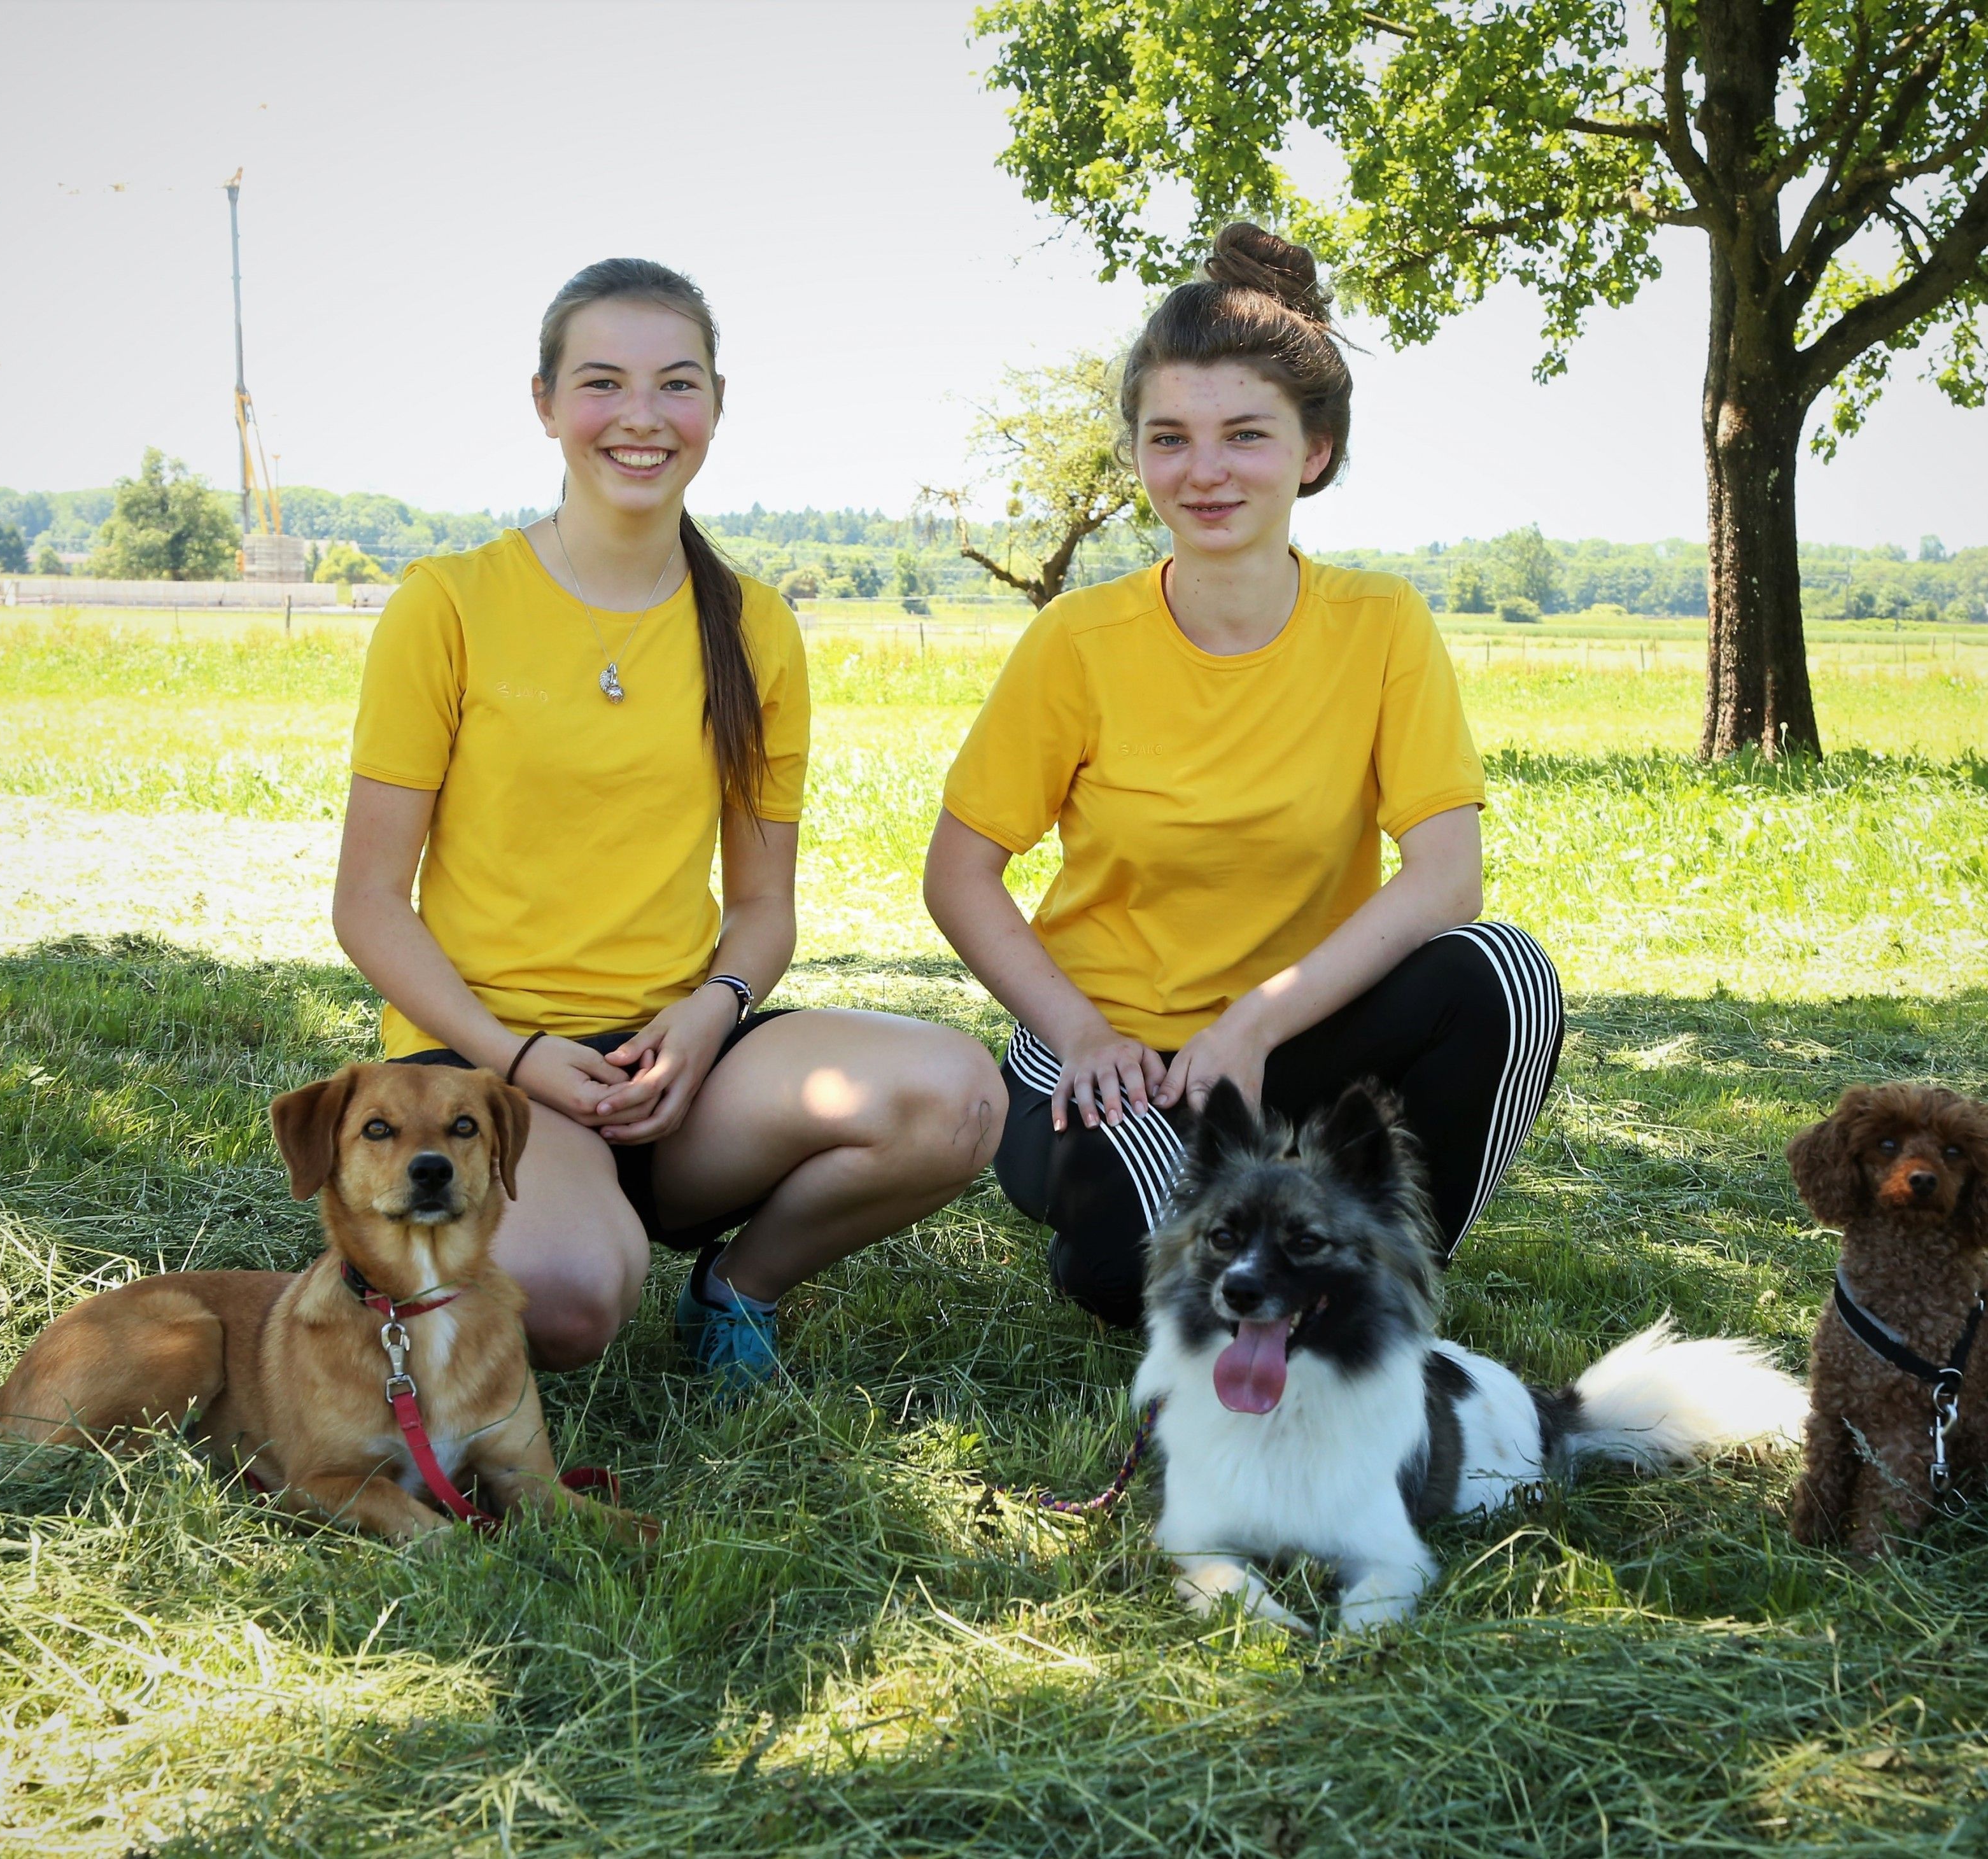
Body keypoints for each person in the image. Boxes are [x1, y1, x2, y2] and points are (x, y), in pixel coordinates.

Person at [334, 258, 1002, 1387]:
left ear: (717, 406)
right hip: (486, 1074)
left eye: (675, 384)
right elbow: (367, 908)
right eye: (602, 383)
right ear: (544, 404)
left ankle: (737, 1288)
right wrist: (521, 1058)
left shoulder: (754, 626)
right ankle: (566, 1229)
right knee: (569, 1302)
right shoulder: (446, 604)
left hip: (679, 1070)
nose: (641, 417)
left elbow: (760, 909)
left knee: (958, 1097)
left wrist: (710, 1013)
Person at [924, 223, 1563, 1330]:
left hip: (1292, 1039)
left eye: (1244, 436)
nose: (1203, 471)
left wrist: (1255, 1029)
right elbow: (960, 874)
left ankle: (1381, 1280)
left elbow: (1446, 878)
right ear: (1137, 453)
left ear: (1314, 450)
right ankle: (1181, 1226)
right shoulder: (1078, 641)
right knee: (1138, 1278)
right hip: (1111, 1056)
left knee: (1502, 971)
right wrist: (1078, 1031)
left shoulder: (1383, 624)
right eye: (1168, 437)